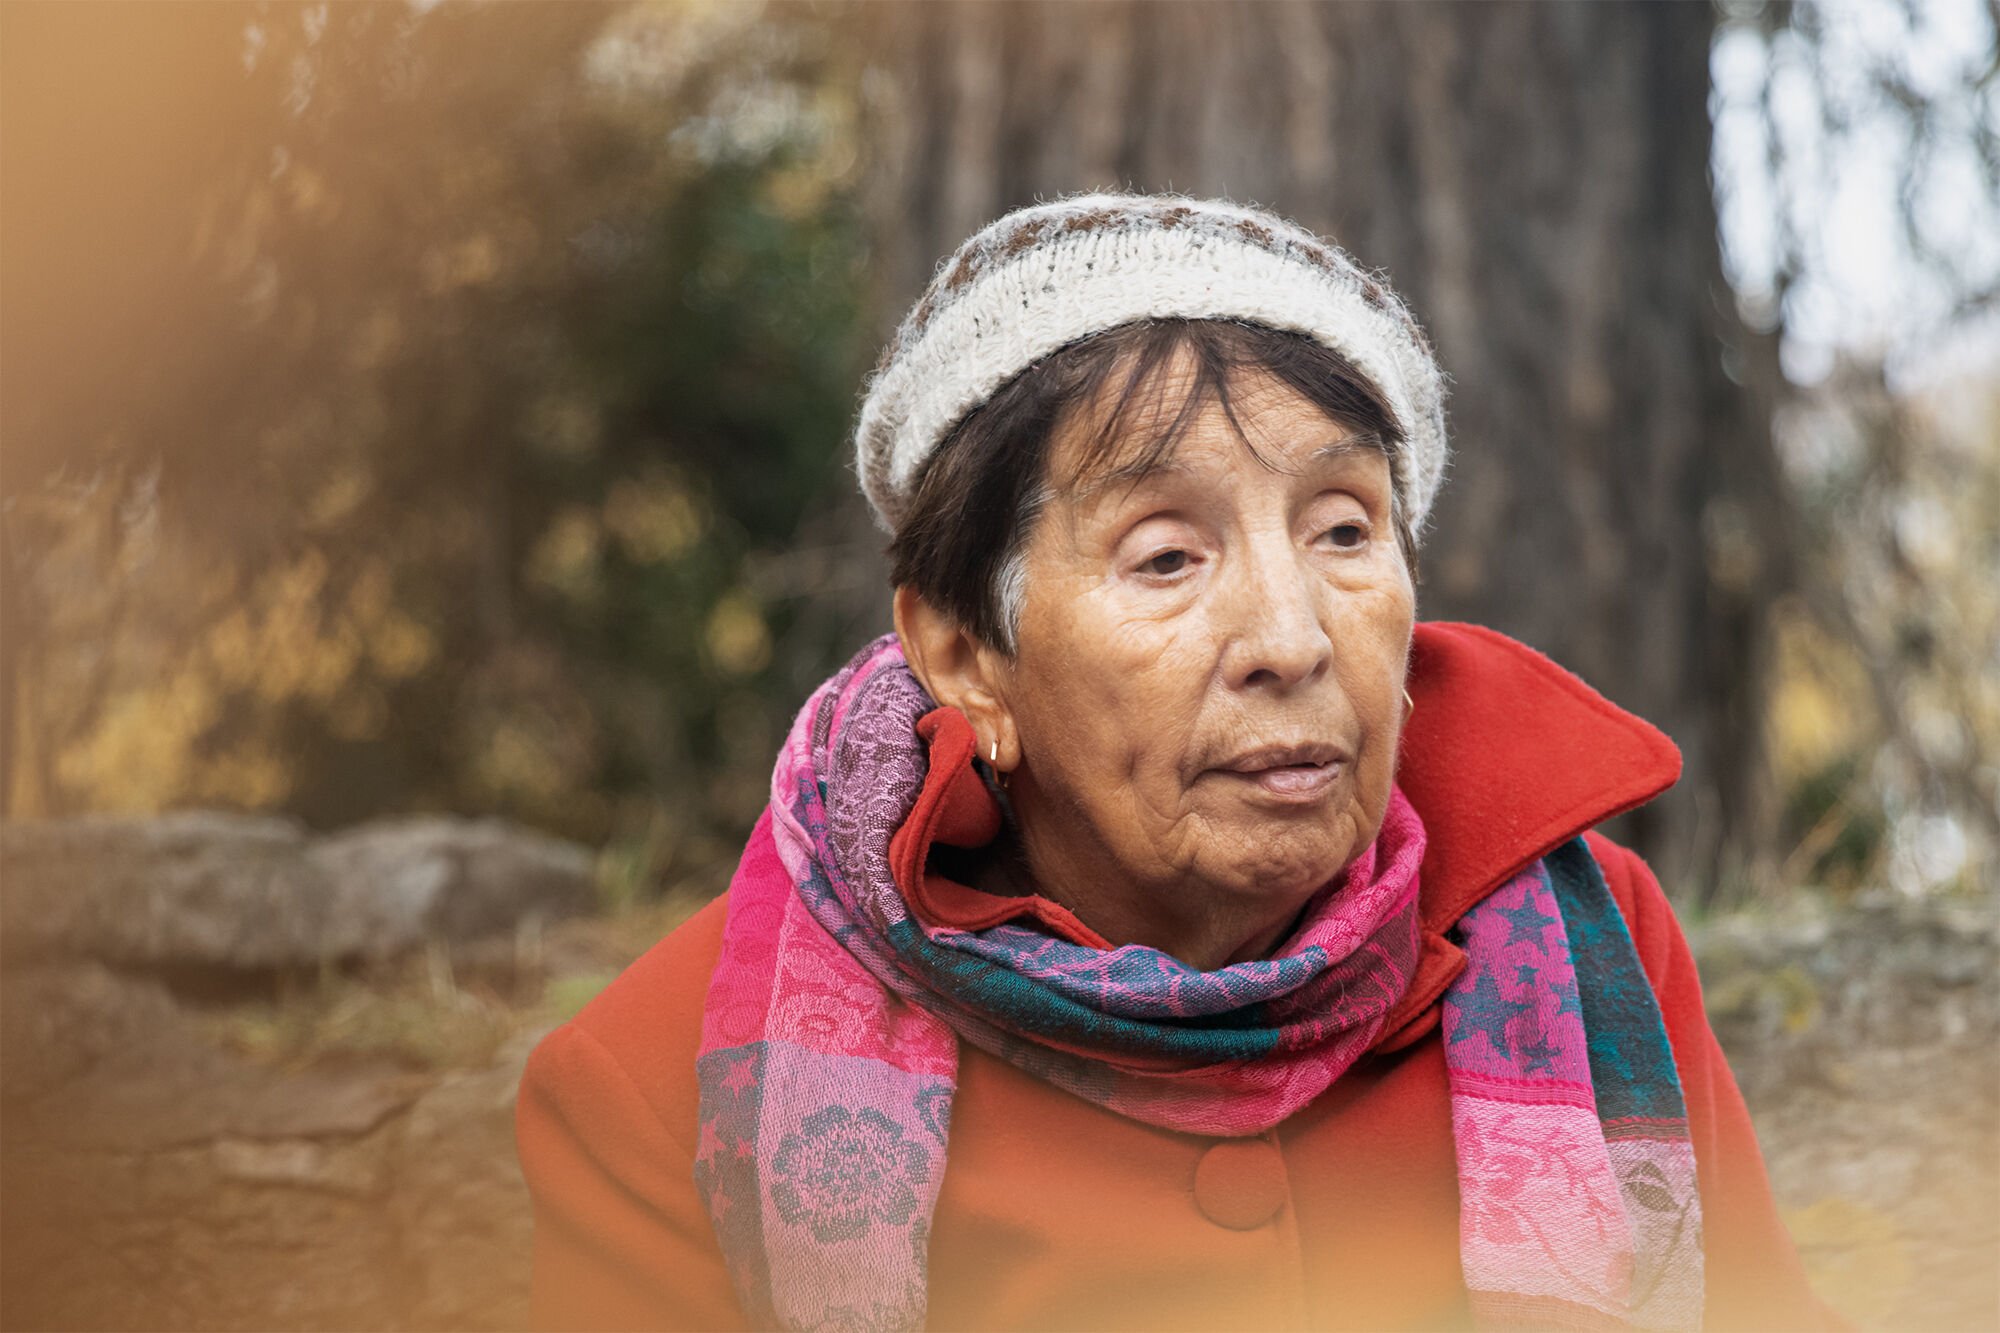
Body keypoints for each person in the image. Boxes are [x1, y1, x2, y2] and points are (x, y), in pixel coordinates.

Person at [516, 194, 1830, 1332]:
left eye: (1343, 528)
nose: (1290, 637)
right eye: (1165, 556)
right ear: (969, 654)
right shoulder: (656, 1088)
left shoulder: (1596, 951)